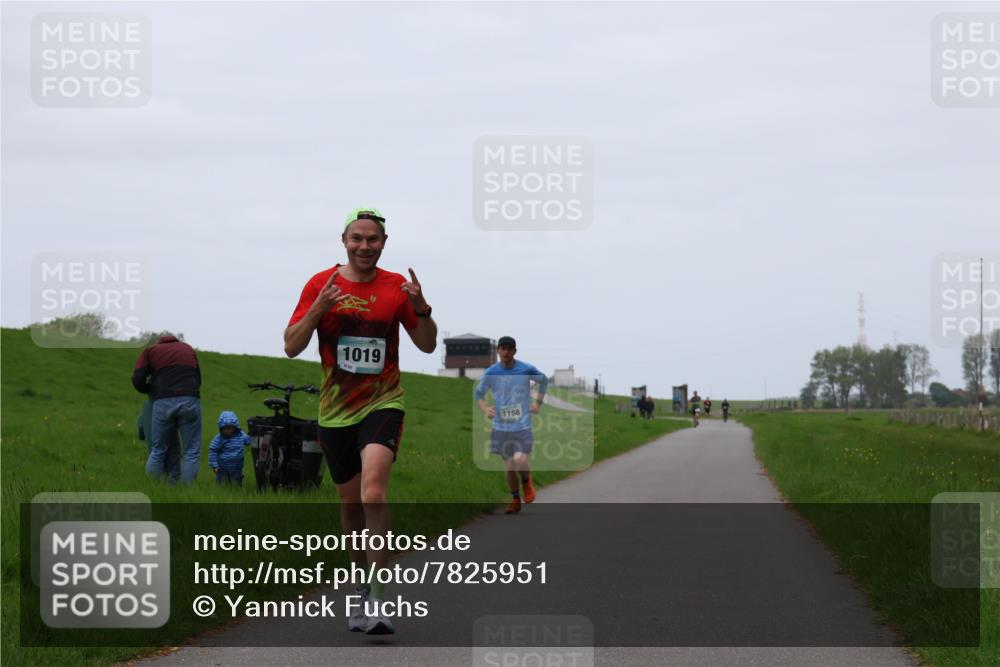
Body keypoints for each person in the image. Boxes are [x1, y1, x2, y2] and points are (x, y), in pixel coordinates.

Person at [284, 206, 436, 635]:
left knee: (373, 492)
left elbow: (426, 346)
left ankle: (377, 596)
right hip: (334, 412)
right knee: (350, 505)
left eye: (373, 239)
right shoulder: (320, 284)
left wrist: (420, 307)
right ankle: (357, 585)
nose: (365, 246)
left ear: (383, 244)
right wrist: (318, 309)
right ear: (344, 242)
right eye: (357, 239)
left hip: (383, 403)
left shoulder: (396, 287)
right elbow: (291, 346)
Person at [475, 336, 548, 515]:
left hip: (522, 426)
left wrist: (538, 404)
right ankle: (515, 499)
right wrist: (485, 409)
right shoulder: (491, 372)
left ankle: (526, 482)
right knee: (509, 466)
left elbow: (544, 380)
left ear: (515, 351)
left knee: (520, 461)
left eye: (509, 349)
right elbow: (479, 394)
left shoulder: (525, 369)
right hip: (501, 427)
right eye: (503, 349)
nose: (506, 352)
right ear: (498, 351)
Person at [132, 334, 202, 483]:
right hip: (189, 399)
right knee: (191, 452)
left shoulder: (150, 351)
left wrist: (151, 389)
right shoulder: (187, 349)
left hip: (163, 402)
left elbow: (138, 380)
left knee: (158, 450)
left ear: (159, 342)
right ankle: (187, 493)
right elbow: (198, 378)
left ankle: (153, 489)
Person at [208, 411, 251, 486]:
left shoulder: (241, 435)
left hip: (237, 467)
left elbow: (249, 441)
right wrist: (214, 466)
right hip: (222, 469)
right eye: (225, 429)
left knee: (236, 485)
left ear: (235, 427)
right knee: (222, 485)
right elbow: (213, 451)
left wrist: (258, 438)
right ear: (221, 428)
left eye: (229, 428)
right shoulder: (219, 438)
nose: (227, 431)